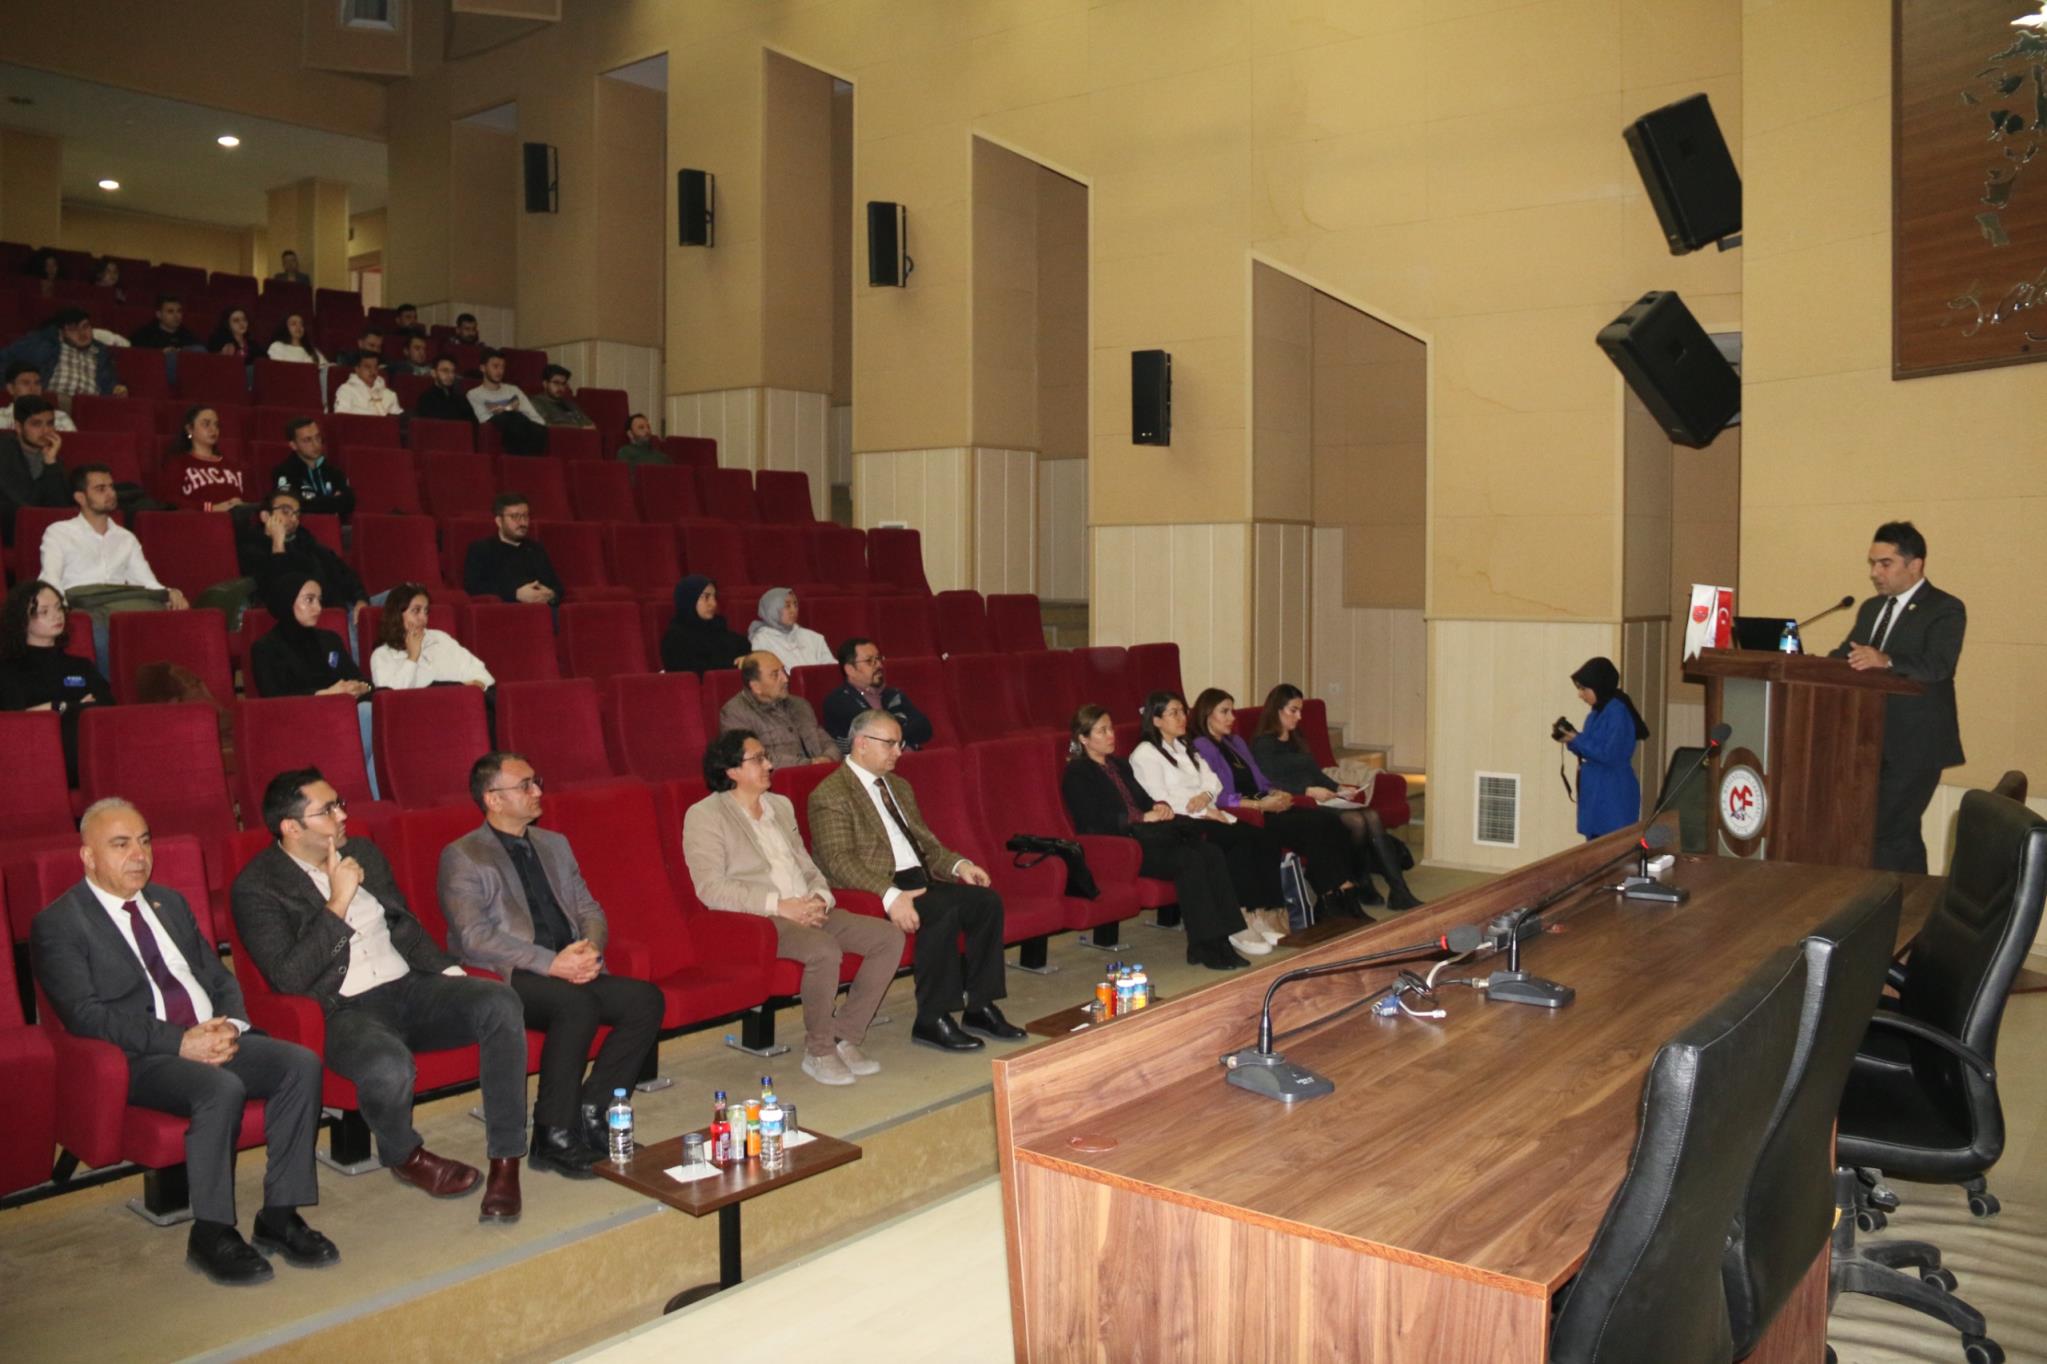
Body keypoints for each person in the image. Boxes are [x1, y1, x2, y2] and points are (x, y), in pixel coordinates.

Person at [32, 798, 334, 1286]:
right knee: (220, 1088)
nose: (139, 855)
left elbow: (217, 976)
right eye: (121, 844)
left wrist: (231, 1025)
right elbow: (85, 1016)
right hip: (144, 1056)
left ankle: (279, 1216)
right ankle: (211, 1232)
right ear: (88, 856)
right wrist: (181, 1042)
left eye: (144, 841)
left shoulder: (168, 903)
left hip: (210, 1035)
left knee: (299, 1064)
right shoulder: (60, 923)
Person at [231, 768, 529, 1223]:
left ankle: (506, 1160)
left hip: (408, 986)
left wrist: (450, 973)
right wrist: (337, 902)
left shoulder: (363, 851)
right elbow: (289, 978)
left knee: (498, 1001)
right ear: (291, 827)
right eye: (327, 810)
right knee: (388, 1066)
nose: (342, 815)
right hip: (343, 1008)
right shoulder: (257, 887)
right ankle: (405, 1155)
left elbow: (402, 925)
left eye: (340, 803)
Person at [439, 753, 665, 1174]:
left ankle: (594, 1110)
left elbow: (589, 909)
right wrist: (551, 963)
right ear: (493, 799)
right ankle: (552, 1133)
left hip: (569, 963)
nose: (537, 791)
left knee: (645, 1000)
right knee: (575, 1004)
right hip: (511, 975)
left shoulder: (554, 844)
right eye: (525, 785)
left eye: (536, 781)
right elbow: (475, 937)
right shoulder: (465, 855)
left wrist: (589, 949)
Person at [684, 730, 904, 1085]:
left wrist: (819, 898)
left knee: (888, 937)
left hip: (808, 908)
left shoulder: (780, 806)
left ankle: (843, 1035)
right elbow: (711, 888)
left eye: (766, 756)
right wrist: (780, 906)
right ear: (731, 770)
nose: (769, 765)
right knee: (823, 949)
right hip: (761, 920)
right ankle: (819, 1051)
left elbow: (807, 866)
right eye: (758, 759)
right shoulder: (705, 815)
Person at [808, 710, 1022, 1051]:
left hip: (919, 877)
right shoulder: (831, 794)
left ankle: (980, 1006)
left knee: (986, 902)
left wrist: (958, 865)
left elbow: (925, 845)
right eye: (890, 744)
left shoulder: (899, 786)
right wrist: (889, 894)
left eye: (900, 743)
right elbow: (838, 861)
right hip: (877, 886)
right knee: (942, 910)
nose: (899, 751)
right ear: (861, 743)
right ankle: (931, 1018)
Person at [1062, 706, 1251, 970]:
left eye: (1111, 728)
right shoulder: (1078, 773)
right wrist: (1140, 818)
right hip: (1120, 847)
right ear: (1083, 738)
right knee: (1189, 860)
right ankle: (1204, 944)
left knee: (1210, 852)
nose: (1111, 735)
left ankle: (1224, 939)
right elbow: (1091, 821)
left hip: (1148, 837)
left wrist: (1159, 807)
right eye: (1102, 731)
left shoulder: (1120, 765)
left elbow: (1144, 799)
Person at [1827, 520, 1967, 873]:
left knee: (1884, 832)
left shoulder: (1945, 608)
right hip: (1869, 740)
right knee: (1898, 835)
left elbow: (1938, 666)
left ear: (1915, 564)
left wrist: (1886, 660)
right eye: (1873, 563)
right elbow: (1846, 657)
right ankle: (1917, 901)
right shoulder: (1871, 609)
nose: (1874, 573)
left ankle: (1889, 901)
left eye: (1885, 563)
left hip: (1917, 745)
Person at [1191, 687, 1387, 925]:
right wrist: (1259, 805)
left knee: (1330, 822)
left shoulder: (1236, 742)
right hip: (1246, 812)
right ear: (1207, 714)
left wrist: (1277, 793)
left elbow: (1261, 780)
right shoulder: (1202, 746)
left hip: (1266, 802)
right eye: (1225, 712)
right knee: (1314, 827)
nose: (1232, 717)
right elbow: (1220, 797)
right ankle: (1333, 897)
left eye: (1232, 711)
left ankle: (1336, 895)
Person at [1129, 690, 1279, 954]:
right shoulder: (1145, 754)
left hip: (1207, 812)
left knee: (1262, 837)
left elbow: (1213, 781)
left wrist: (1206, 797)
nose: (1182, 718)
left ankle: (1257, 911)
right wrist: (1202, 810)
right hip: (1181, 822)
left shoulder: (1184, 745)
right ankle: (1238, 920)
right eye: (1173, 713)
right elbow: (1160, 798)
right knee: (1237, 841)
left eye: (1182, 711)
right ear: (1156, 720)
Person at [1251, 683, 1422, 911]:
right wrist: (1307, 792)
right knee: (1357, 820)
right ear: (1277, 710)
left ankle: (1398, 890)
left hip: (1320, 796)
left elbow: (1315, 773)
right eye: (1294, 710)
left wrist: (1338, 787)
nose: (1299, 716)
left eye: (1300, 710)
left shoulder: (1295, 738)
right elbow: (1269, 783)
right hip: (1300, 803)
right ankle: (1363, 881)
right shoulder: (1263, 745)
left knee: (1371, 816)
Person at [40, 465, 189, 662]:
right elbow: (50, 578)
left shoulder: (125, 537)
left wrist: (171, 592)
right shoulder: (59, 532)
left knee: (174, 618)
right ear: (80, 498)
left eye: (111, 487)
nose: (110, 493)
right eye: (100, 489)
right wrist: (61, 610)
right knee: (97, 630)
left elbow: (146, 582)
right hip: (82, 604)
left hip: (119, 605)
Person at [0, 579, 113, 782]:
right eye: (44, 611)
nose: (56, 615)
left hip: (84, 752)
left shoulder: (81, 665)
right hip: (32, 756)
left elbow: (107, 705)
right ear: (22, 620)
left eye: (59, 607)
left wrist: (56, 708)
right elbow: (13, 720)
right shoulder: (8, 669)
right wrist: (69, 707)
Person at [237, 488, 368, 626]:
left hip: (347, 606)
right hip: (321, 616)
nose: (294, 519)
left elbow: (344, 573)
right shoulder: (252, 549)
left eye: (297, 514)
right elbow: (279, 592)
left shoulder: (307, 542)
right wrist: (278, 544)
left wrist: (361, 600)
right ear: (265, 516)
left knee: (386, 601)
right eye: (286, 511)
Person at [1556, 657, 1649, 841]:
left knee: (1613, 847)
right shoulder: (1597, 712)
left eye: (1584, 689)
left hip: (1613, 793)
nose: (1581, 694)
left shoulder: (1618, 712)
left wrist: (1576, 738)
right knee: (1595, 847)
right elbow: (1592, 747)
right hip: (1597, 792)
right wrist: (1570, 740)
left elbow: (1609, 754)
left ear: (1598, 685)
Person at [250, 576, 369, 702]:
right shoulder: (266, 648)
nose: (318, 608)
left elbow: (360, 678)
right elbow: (274, 699)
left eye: (319, 600)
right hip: (302, 713)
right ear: (288, 601)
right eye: (309, 600)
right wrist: (326, 694)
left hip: (345, 708)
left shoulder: (330, 639)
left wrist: (362, 688)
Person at [719, 651, 837, 767]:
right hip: (779, 777)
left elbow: (827, 742)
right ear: (756, 687)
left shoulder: (800, 705)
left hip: (819, 772)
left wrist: (828, 758)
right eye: (775, 674)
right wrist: (808, 764)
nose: (786, 679)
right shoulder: (735, 713)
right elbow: (754, 759)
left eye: (783, 671)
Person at [370, 583, 493, 690]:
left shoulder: (440, 638)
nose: (423, 618)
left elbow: (482, 674)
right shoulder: (382, 655)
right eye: (416, 610)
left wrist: (475, 685)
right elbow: (391, 699)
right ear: (397, 614)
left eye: (426, 611)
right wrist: (412, 657)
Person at [821, 636, 932, 754]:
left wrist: (895, 735)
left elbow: (924, 727)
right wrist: (903, 727)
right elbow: (875, 734)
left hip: (910, 758)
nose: (879, 665)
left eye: (878, 658)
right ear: (850, 670)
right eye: (870, 661)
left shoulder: (893, 694)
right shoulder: (838, 701)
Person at [0, 307, 126, 408]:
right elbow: (5, 358)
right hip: (52, 401)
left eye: (85, 326)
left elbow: (109, 383)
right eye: (73, 329)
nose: (82, 333)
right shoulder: (43, 344)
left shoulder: (101, 353)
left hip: (89, 406)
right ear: (61, 332)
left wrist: (115, 388)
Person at [463, 492, 563, 607]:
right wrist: (516, 594)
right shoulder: (481, 549)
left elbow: (557, 587)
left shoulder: (536, 549)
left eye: (525, 516)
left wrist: (551, 595)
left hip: (543, 609)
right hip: (506, 611)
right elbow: (474, 587)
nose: (523, 522)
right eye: (515, 517)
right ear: (499, 521)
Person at [1, 396, 73, 545]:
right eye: (36, 424)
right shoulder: (4, 451)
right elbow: (26, 505)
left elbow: (62, 508)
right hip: (13, 533)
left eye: (50, 423)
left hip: (47, 534)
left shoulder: (51, 456)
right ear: (18, 427)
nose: (46, 431)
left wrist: (50, 462)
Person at [155, 405, 249, 512]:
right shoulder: (179, 463)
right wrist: (211, 508)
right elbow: (170, 500)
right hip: (201, 520)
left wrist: (242, 505)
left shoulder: (232, 465)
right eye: (206, 424)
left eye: (216, 425)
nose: (213, 429)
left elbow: (251, 500)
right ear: (189, 429)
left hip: (238, 518)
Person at [661, 574, 750, 675]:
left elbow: (744, 646)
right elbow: (696, 671)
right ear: (689, 599)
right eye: (706, 597)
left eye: (714, 597)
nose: (713, 603)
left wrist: (747, 659)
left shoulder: (717, 628)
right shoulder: (675, 638)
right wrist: (735, 664)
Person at [269, 418, 355, 520]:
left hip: (335, 527)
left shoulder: (334, 471)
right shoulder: (284, 472)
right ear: (293, 445)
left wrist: (313, 502)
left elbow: (349, 502)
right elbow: (294, 506)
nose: (316, 444)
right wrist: (334, 501)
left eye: (318, 437)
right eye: (307, 440)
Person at [466, 351, 546, 454]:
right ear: (483, 368)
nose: (500, 371)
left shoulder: (513, 390)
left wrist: (501, 409)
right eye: (495, 366)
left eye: (502, 367)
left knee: (535, 427)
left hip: (524, 431)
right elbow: (484, 419)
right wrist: (510, 408)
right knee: (511, 418)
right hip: (504, 433)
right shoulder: (474, 394)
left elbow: (534, 417)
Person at [748, 587, 833, 669]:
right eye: (787, 606)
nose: (793, 610)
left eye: (795, 605)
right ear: (772, 609)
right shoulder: (762, 640)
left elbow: (830, 668)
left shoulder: (814, 638)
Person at [0, 362, 77, 431]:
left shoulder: (61, 418)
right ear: (11, 388)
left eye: (37, 383)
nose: (33, 389)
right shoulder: (1, 417)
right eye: (26, 383)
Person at [331, 350, 403, 417]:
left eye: (375, 367)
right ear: (357, 369)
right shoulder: (346, 391)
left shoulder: (390, 394)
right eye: (368, 367)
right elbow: (341, 419)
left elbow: (398, 421)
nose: (373, 371)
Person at [414, 355, 476, 425]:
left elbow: (472, 424)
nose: (450, 375)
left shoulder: (461, 398)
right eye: (445, 371)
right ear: (433, 373)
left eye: (453, 371)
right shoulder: (426, 399)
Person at [531, 365, 596, 428]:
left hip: (582, 434)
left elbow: (590, 424)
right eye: (556, 383)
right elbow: (545, 425)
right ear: (545, 384)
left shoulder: (570, 404)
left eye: (563, 384)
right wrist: (579, 428)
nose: (560, 387)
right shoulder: (536, 402)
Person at [129, 294, 200, 351]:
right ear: (159, 314)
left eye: (179, 311)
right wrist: (160, 354)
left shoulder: (187, 335)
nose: (176, 316)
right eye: (170, 311)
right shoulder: (144, 335)